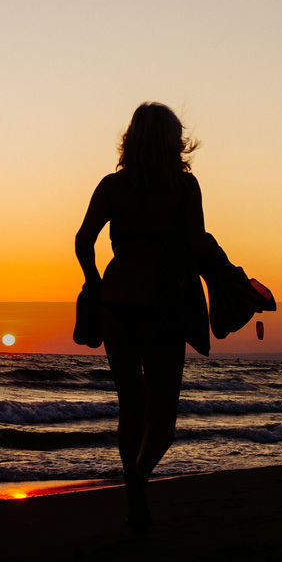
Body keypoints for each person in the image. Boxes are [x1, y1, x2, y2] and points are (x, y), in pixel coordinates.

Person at [75, 102, 208, 532]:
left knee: (130, 403)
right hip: (163, 304)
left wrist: (95, 282)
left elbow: (82, 240)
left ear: (131, 139)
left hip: (116, 303)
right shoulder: (185, 188)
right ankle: (137, 477)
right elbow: (197, 245)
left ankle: (136, 500)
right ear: (174, 141)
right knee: (163, 418)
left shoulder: (112, 186)